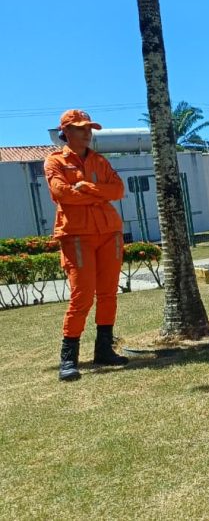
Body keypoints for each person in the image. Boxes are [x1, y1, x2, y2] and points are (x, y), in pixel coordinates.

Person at [44, 109, 129, 381]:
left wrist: (87, 188)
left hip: (109, 233)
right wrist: (98, 194)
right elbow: (61, 195)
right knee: (82, 295)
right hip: (76, 236)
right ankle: (68, 359)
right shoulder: (54, 161)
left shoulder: (100, 161)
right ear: (65, 132)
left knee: (107, 294)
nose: (87, 133)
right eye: (81, 128)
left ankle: (104, 350)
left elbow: (118, 191)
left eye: (89, 128)